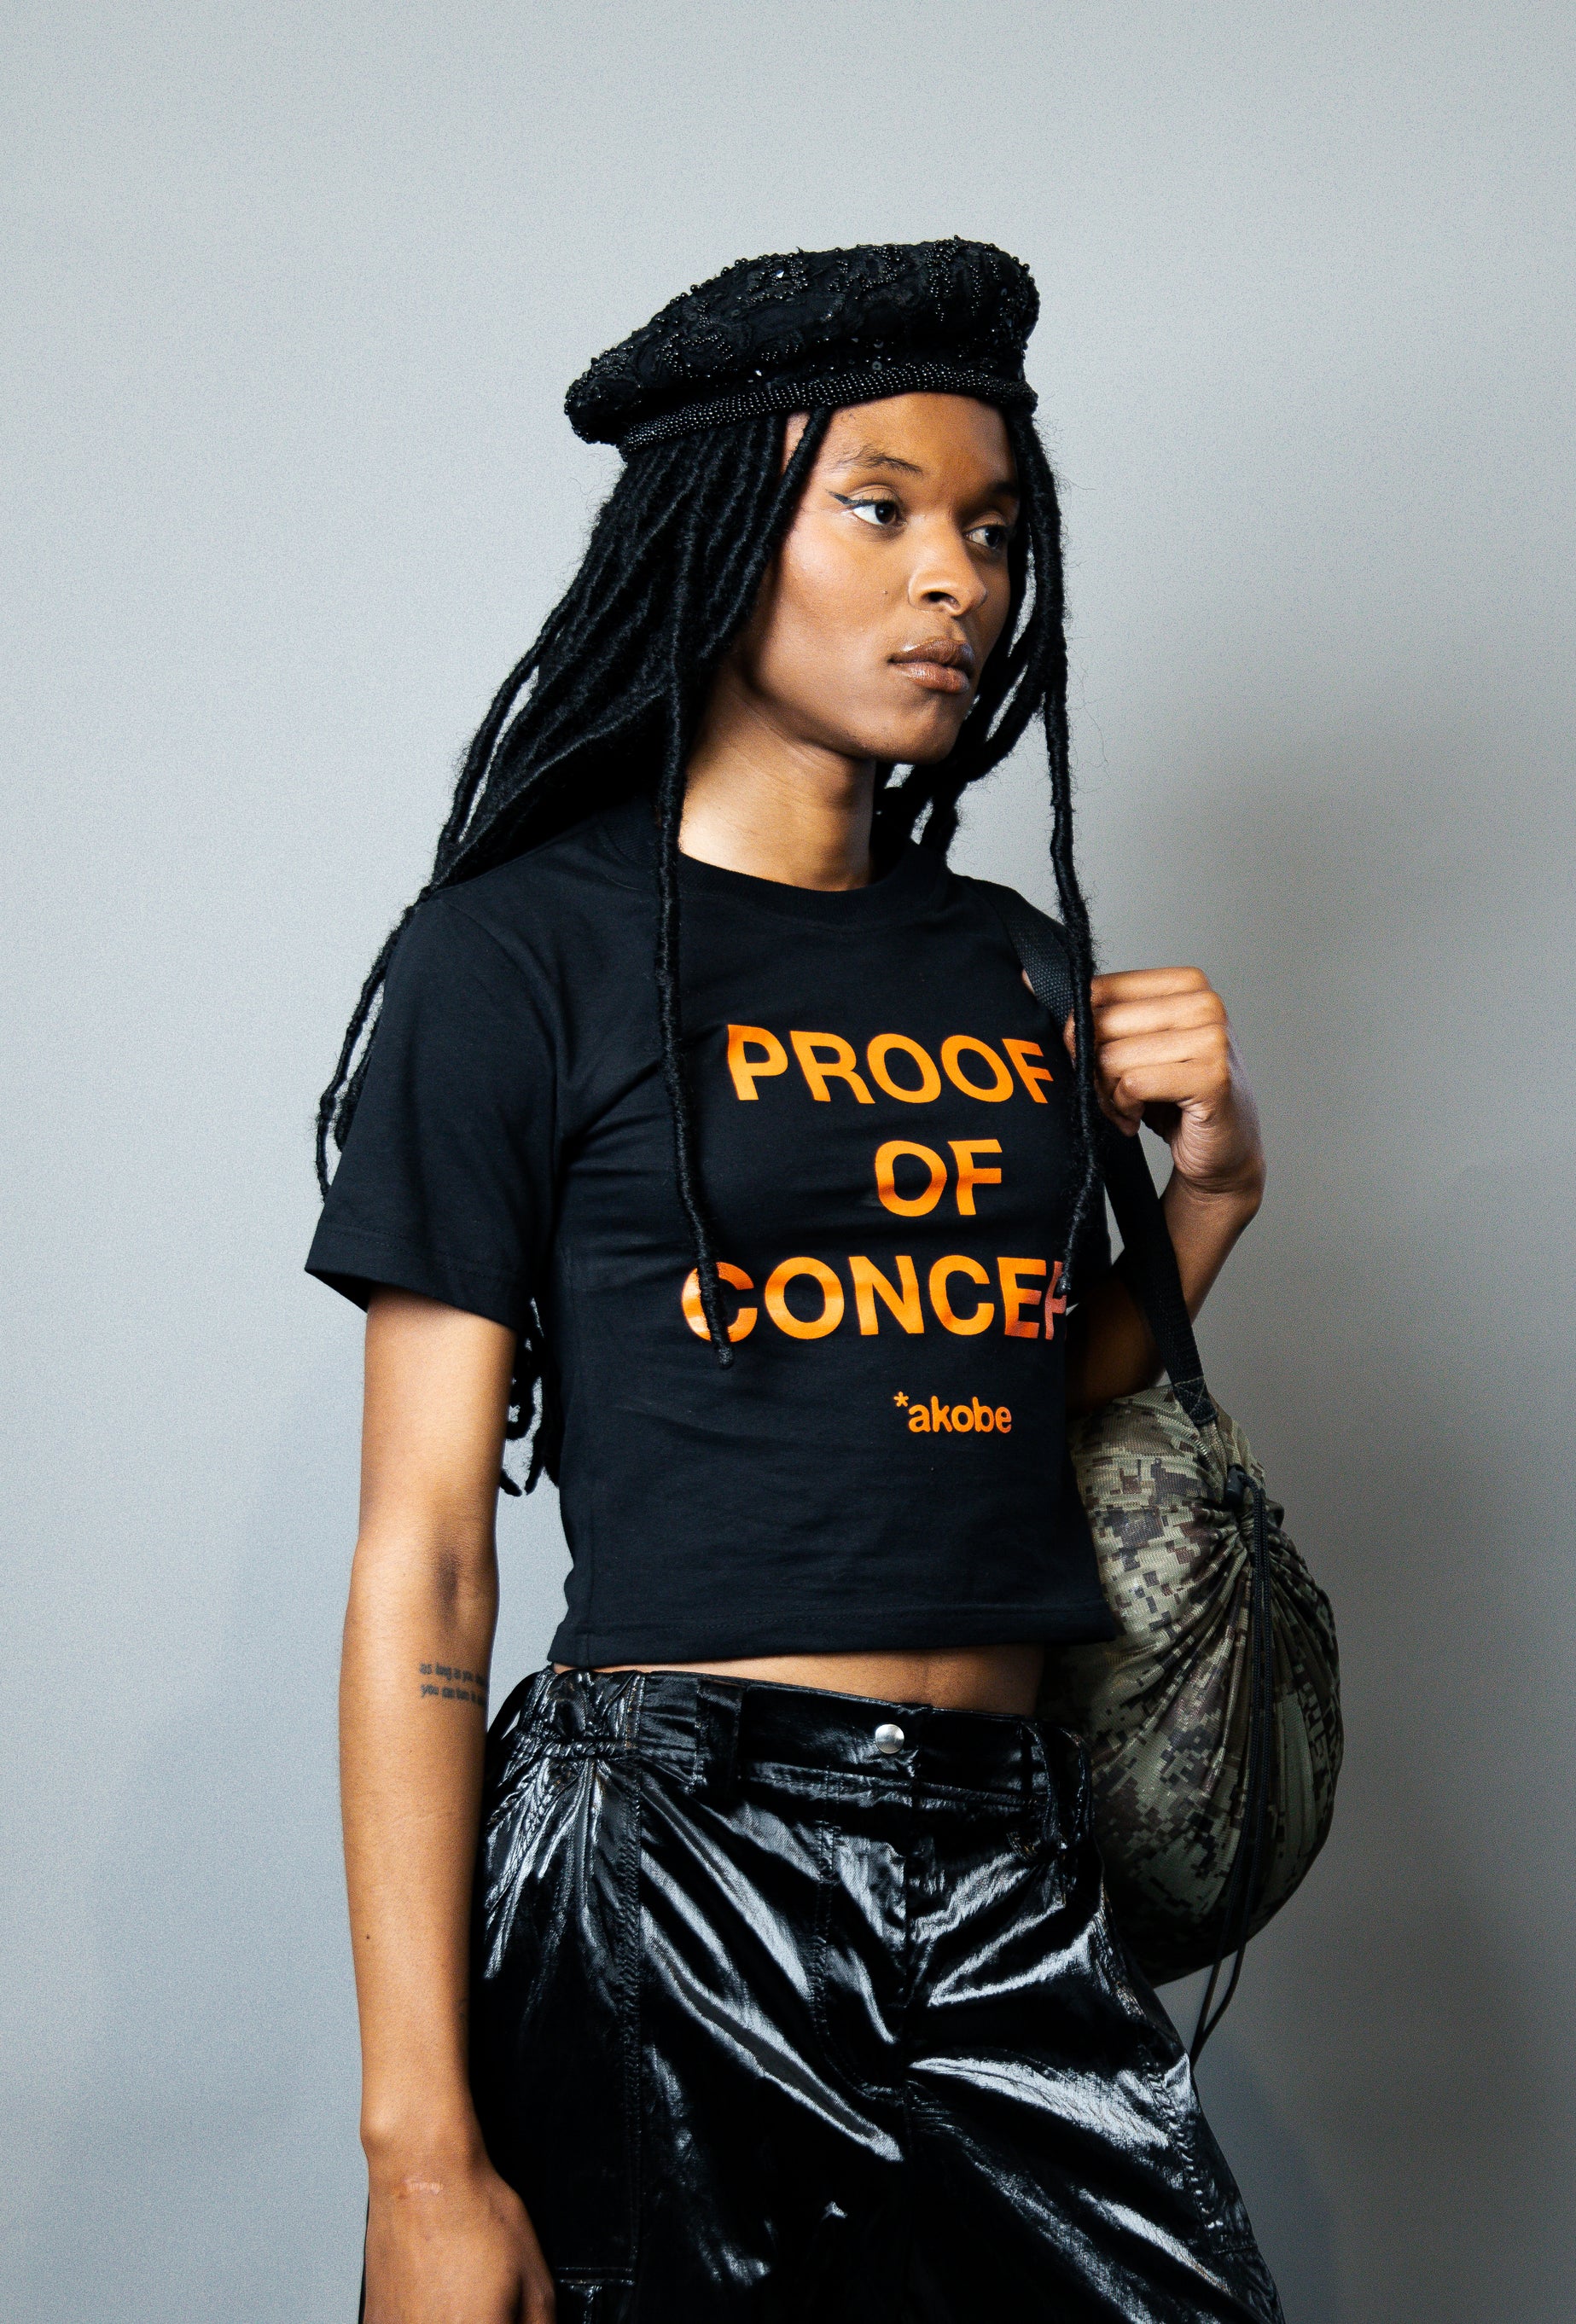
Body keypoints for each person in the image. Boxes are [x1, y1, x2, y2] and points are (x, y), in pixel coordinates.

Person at [308, 240, 1279, 2324]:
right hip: (678, 1851)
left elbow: (993, 1397)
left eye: (992, 531)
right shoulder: (522, 956)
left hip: (1009, 1849)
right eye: (882, 509)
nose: (956, 582)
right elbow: (428, 1557)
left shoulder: (1011, 963)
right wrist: (418, 2149)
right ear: (718, 538)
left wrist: (1205, 1197)